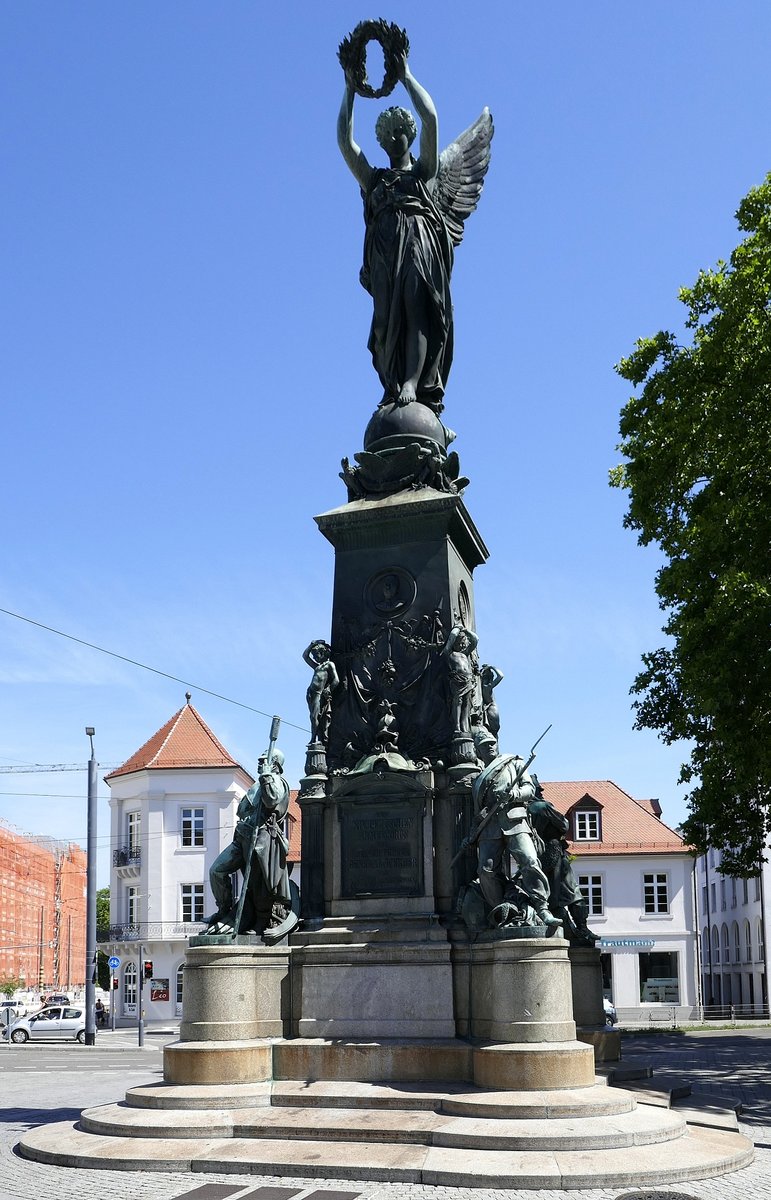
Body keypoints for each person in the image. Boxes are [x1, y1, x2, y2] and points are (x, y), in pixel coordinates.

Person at [337, 52, 454, 411]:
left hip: (417, 243)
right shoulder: (373, 180)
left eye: (399, 132)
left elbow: (431, 117)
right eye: (387, 134)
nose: (393, 137)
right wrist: (349, 88)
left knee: (415, 306)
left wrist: (405, 75)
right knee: (385, 322)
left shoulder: (422, 173)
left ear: (409, 135)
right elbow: (345, 141)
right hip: (384, 251)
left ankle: (412, 381)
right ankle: (392, 383)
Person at [467, 728, 560, 929]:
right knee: (485, 870)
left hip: (515, 821)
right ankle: (501, 909)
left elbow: (530, 789)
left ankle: (542, 908)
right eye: (484, 746)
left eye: (491, 743)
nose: (489, 747)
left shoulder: (513, 763)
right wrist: (472, 832)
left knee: (529, 861)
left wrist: (513, 794)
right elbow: (477, 811)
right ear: (478, 751)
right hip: (489, 828)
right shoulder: (478, 779)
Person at [207, 748, 293, 936]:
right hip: (242, 837)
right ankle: (224, 909)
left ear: (275, 764)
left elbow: (272, 800)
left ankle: (260, 921)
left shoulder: (277, 781)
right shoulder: (256, 784)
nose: (260, 762)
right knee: (216, 870)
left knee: (256, 883)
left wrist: (267, 776)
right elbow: (243, 810)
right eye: (260, 759)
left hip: (261, 839)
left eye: (264, 760)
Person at [528, 776, 598, 945]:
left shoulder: (522, 810)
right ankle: (582, 928)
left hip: (535, 857)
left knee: (549, 896)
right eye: (539, 789)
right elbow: (564, 825)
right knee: (573, 893)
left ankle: (566, 927)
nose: (541, 793)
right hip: (554, 853)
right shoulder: (543, 807)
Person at [443, 625, 479, 735]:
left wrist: (466, 630)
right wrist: (457, 629)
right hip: (457, 680)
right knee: (457, 702)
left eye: (462, 642)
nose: (460, 644)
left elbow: (475, 640)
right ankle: (457, 726)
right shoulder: (449, 652)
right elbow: (451, 637)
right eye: (458, 642)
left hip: (468, 680)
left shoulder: (465, 654)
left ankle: (464, 726)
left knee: (466, 704)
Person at [302, 640, 340, 746]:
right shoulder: (317, 667)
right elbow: (305, 656)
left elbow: (336, 680)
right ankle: (315, 738)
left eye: (316, 654)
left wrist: (329, 689)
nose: (314, 657)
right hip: (311, 693)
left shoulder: (329, 665)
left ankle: (316, 739)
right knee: (312, 717)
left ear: (323, 653)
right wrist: (312, 644)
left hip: (319, 693)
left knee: (315, 717)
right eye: (313, 655)